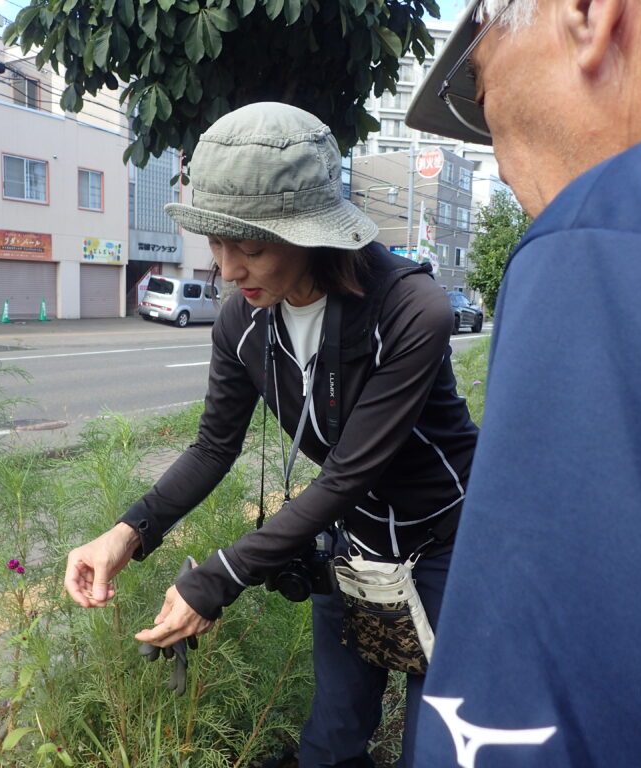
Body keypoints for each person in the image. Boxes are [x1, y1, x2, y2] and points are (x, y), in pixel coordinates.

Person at [64, 102, 479, 767]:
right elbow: (212, 448)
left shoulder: (410, 311)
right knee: (329, 744)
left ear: (310, 234)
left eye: (249, 245)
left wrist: (219, 578)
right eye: (216, 243)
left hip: (450, 549)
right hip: (355, 549)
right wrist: (128, 531)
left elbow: (349, 474)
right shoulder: (241, 322)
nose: (227, 270)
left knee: (436, 749)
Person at [404, 0, 641, 765]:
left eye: (481, 79)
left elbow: (521, 733)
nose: (500, 158)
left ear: (587, 12)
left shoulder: (625, 233)